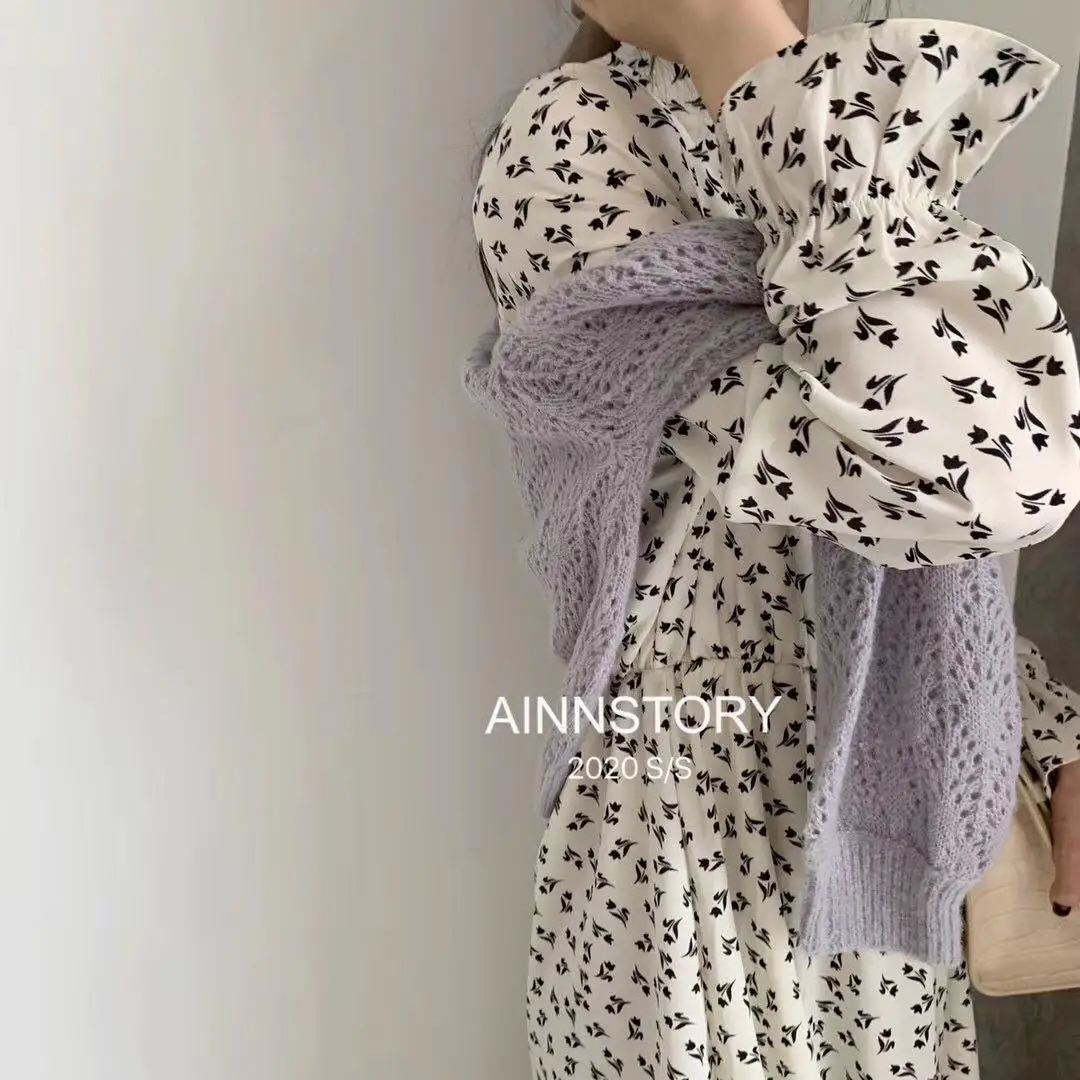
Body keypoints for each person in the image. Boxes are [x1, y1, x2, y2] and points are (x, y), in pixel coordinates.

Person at [471, 3, 1080, 1077]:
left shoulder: (845, 125)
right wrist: (726, 31)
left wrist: (1050, 733)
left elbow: (926, 548)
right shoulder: (571, 136)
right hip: (696, 856)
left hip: (880, 842)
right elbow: (966, 478)